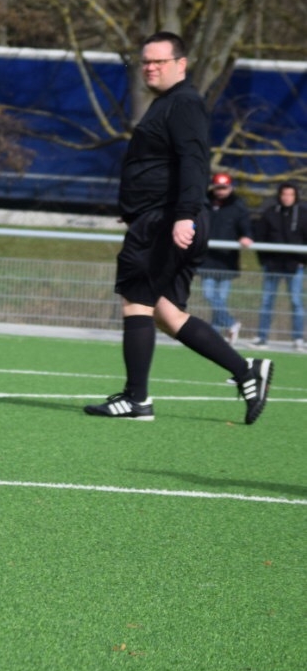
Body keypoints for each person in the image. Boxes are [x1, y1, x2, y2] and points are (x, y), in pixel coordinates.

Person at [85, 32, 271, 423]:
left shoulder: (184, 102)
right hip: (161, 217)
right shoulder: (168, 103)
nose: (150, 67)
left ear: (181, 64)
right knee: (167, 313)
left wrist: (184, 214)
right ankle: (246, 371)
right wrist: (132, 207)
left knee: (136, 302)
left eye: (159, 61)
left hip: (167, 220)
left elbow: (194, 161)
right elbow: (159, 164)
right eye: (145, 61)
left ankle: (136, 400)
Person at [197, 172, 251, 344]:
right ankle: (231, 323)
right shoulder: (204, 203)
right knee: (209, 294)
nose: (220, 191)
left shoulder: (238, 206)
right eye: (218, 188)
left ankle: (215, 335)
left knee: (220, 299)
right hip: (207, 259)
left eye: (224, 188)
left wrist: (246, 236)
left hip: (227, 260)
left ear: (230, 188)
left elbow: (245, 226)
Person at [251, 181, 306, 351]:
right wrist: (265, 260)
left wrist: (302, 261)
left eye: (290, 194)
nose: (287, 198)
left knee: (296, 301)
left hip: (294, 266)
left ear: (295, 196)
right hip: (273, 265)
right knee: (267, 301)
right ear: (279, 196)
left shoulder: (303, 214)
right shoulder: (270, 213)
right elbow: (260, 236)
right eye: (284, 194)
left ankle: (298, 338)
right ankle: (262, 337)